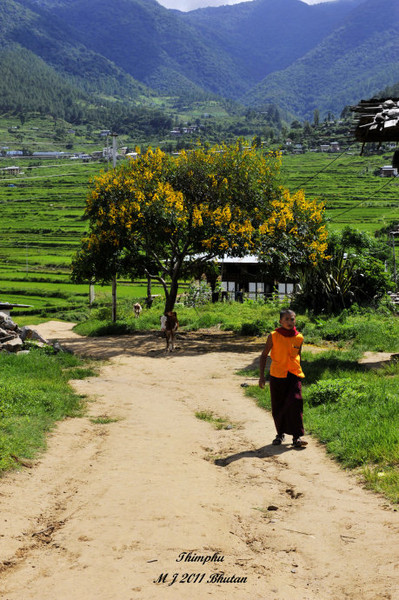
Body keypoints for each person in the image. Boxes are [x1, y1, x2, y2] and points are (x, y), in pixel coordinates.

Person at [258, 308, 308, 448]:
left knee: (296, 402)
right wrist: (262, 376)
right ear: (280, 321)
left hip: (294, 374)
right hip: (277, 374)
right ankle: (280, 434)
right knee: (278, 405)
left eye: (292, 319)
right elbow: (264, 355)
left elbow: (299, 356)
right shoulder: (273, 336)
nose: (290, 322)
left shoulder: (299, 337)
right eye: (286, 319)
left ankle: (297, 437)